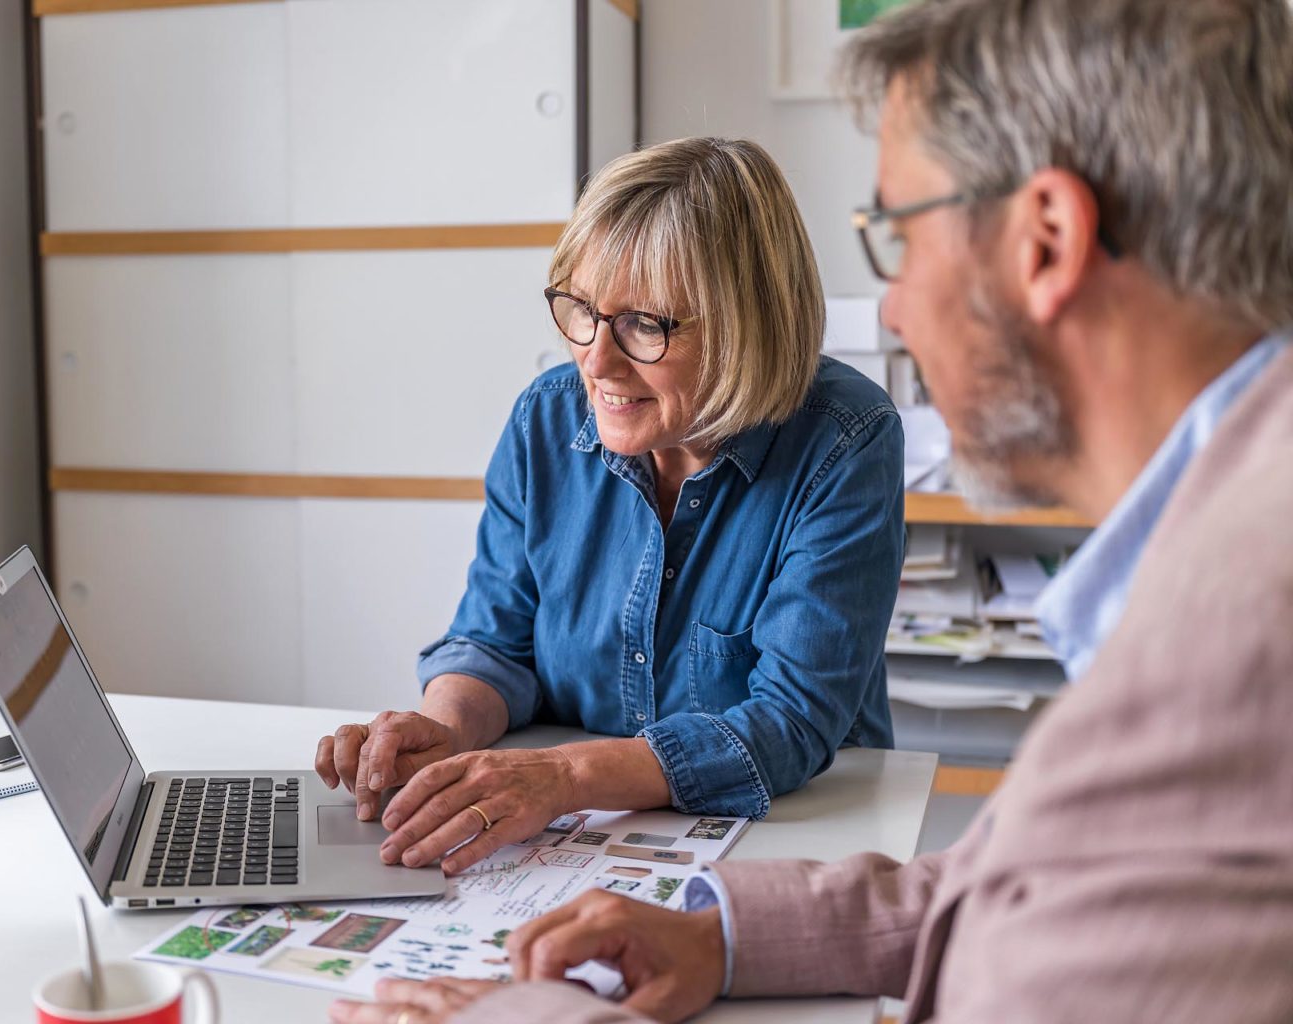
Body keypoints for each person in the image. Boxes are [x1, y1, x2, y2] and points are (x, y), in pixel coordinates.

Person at [331, 0, 1293, 1022]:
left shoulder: (1244, 629)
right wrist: (726, 939)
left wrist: (530, 1014)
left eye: (898, 238)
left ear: (1046, 240)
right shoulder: (1210, 555)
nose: (894, 308)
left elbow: (1026, 952)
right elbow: (1015, 892)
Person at [314, 137, 906, 876]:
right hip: (584, 843)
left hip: (799, 837)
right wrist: (443, 728)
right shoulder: (545, 420)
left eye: (644, 326)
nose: (595, 359)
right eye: (582, 311)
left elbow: (790, 721)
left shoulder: (844, 439)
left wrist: (562, 777)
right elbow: (496, 644)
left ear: (746, 326)